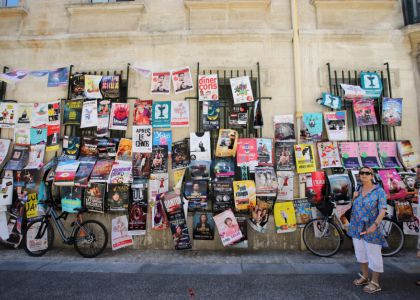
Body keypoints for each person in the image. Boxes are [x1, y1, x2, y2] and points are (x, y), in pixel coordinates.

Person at [348, 166, 387, 294]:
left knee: (374, 254)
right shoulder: (358, 189)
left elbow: (383, 210)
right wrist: (353, 198)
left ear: (372, 175)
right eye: (361, 173)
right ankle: (365, 277)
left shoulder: (379, 191)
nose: (364, 175)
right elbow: (354, 206)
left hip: (371, 227)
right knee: (361, 253)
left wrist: (375, 224)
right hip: (356, 227)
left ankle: (375, 282)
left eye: (367, 173)